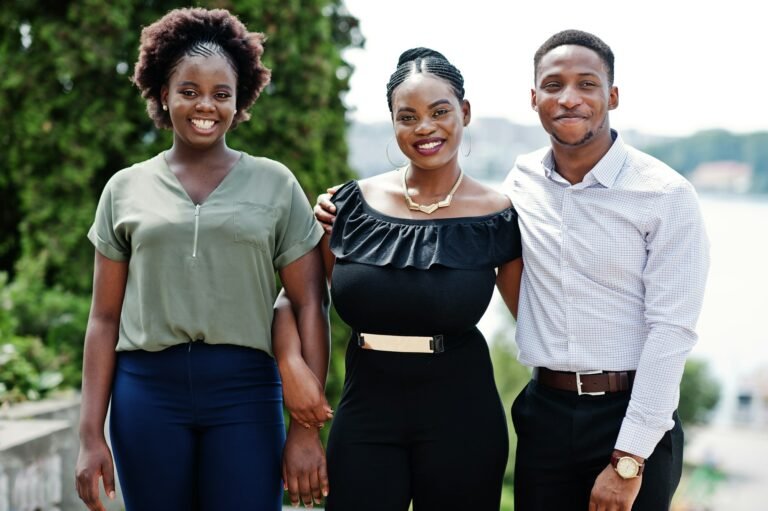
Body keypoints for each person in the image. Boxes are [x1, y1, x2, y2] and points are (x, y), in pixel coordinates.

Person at [316, 30, 710, 511]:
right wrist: (341, 211)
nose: (569, 98)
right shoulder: (519, 186)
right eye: (553, 85)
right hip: (545, 414)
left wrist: (630, 458)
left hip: (628, 418)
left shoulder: (665, 196)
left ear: (612, 95)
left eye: (586, 84)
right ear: (534, 98)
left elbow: (672, 331)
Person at [74, 8, 329, 511]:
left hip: (246, 393)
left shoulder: (276, 183)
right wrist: (88, 435)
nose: (204, 105)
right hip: (146, 394)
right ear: (162, 94)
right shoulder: (124, 189)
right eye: (188, 90)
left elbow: (310, 306)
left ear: (241, 99)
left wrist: (305, 430)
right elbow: (103, 319)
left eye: (221, 93)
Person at [273, 47, 524, 510]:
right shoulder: (346, 208)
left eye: (440, 111)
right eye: (407, 116)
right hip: (367, 408)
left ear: (464, 113)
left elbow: (534, 321)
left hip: (463, 414)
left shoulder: (498, 215)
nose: (424, 127)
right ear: (392, 122)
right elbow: (297, 299)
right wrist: (291, 371)